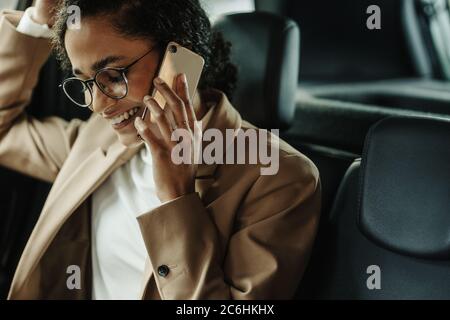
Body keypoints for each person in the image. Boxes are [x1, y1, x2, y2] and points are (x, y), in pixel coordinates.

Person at [0, 0, 321, 300]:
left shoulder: (278, 177)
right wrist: (36, 21)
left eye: (114, 76)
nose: (98, 105)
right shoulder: (100, 140)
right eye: (85, 83)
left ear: (180, 58)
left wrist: (177, 197)